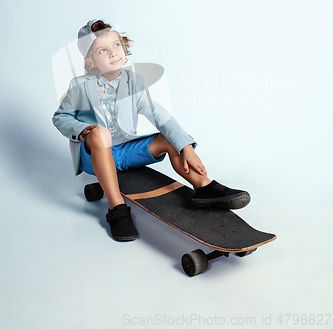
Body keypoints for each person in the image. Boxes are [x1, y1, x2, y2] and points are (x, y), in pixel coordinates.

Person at [52, 19, 250, 242]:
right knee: (101, 133)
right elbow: (60, 117)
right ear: (91, 60)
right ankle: (116, 208)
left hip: (125, 152)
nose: (113, 53)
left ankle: (203, 186)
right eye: (102, 50)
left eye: (117, 45)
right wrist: (83, 130)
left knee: (168, 139)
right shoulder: (80, 86)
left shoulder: (134, 81)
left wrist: (186, 146)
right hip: (95, 154)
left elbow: (158, 114)